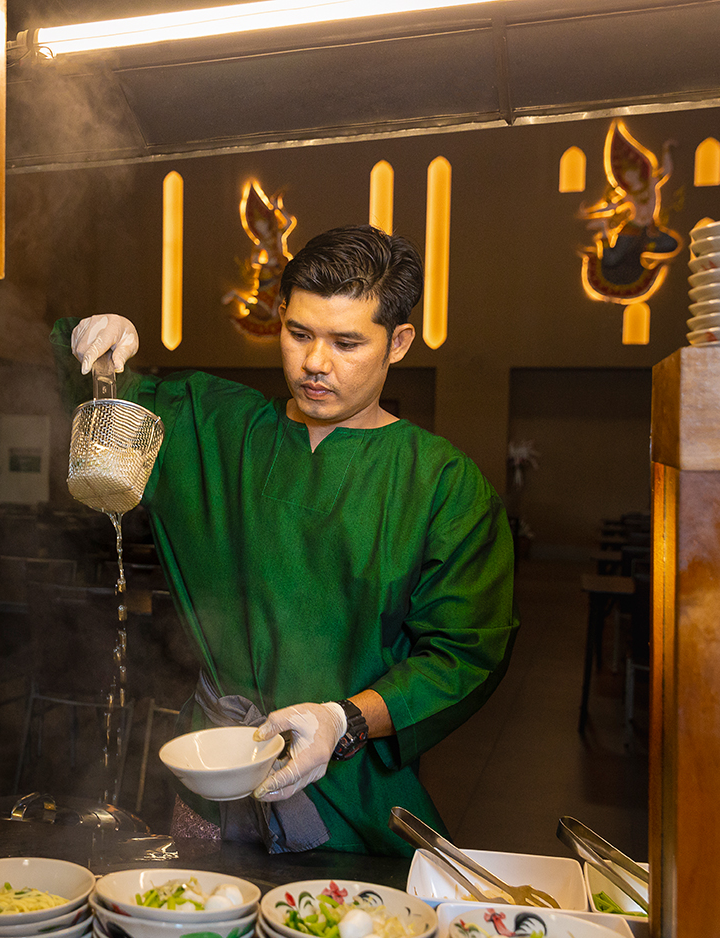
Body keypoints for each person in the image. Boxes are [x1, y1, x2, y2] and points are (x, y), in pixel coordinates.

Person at [51, 224, 518, 855]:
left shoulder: (441, 485)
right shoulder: (213, 427)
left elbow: (465, 655)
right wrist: (92, 341)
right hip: (212, 774)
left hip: (350, 790)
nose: (315, 363)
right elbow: (94, 386)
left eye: (347, 342)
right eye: (299, 333)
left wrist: (342, 720)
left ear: (398, 342)